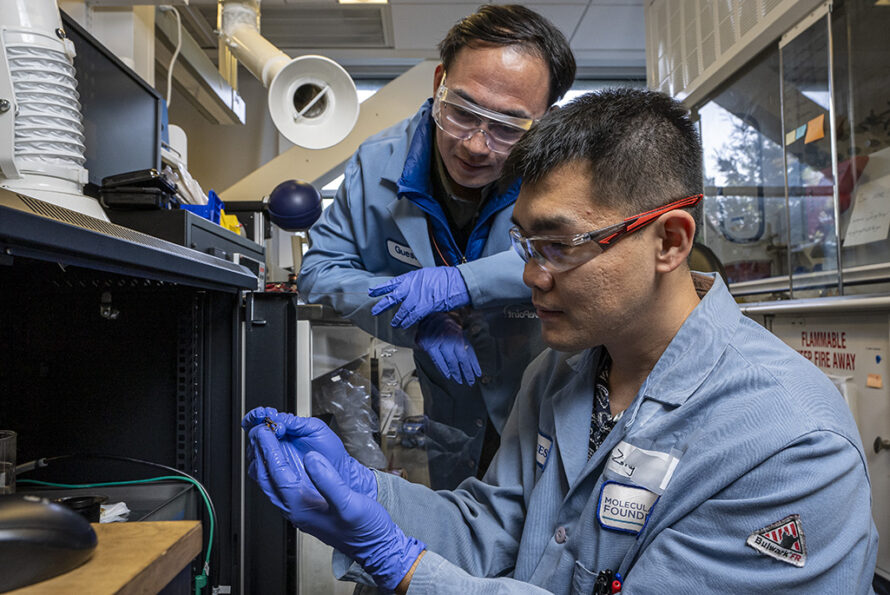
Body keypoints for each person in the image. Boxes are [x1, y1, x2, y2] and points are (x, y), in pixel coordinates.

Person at [246, 88, 879, 593]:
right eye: (524, 243)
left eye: (560, 246)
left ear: (669, 241)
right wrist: (363, 491)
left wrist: (405, 568)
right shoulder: (558, 375)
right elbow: (494, 530)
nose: (528, 276)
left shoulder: (787, 446)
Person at [296, 5, 576, 488]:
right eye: (463, 112)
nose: (475, 146)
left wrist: (463, 283)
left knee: (540, 541)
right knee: (461, 535)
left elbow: (579, 252)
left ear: (546, 119)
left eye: (508, 127)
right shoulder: (376, 164)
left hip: (545, 398)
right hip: (451, 408)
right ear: (439, 82)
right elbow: (320, 269)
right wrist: (414, 316)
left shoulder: (566, 171)